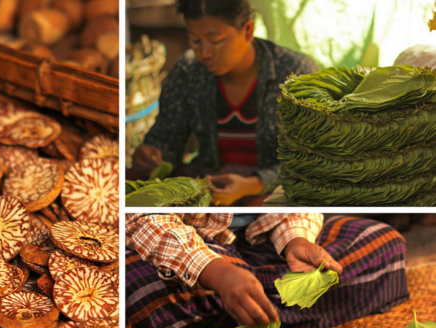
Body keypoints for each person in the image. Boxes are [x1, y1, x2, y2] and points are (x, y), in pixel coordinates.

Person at [126, 214, 409, 328]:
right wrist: (218, 274)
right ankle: (250, 302)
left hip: (261, 244)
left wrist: (295, 240)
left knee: (383, 241)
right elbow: (142, 219)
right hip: (192, 253)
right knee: (139, 286)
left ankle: (242, 308)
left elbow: (288, 203)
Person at [131, 0, 319, 205]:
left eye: (216, 40)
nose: (204, 53)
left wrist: (254, 184)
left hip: (273, 188)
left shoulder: (297, 73)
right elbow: (167, 136)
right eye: (194, 41)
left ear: (248, 30)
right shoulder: (188, 71)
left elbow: (311, 159)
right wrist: (154, 154)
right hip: (209, 181)